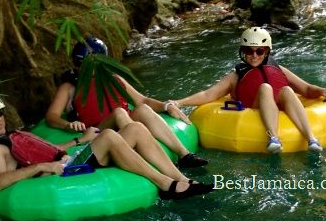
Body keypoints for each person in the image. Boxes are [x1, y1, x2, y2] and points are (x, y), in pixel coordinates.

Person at [0, 93, 214, 200]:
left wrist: (80, 141)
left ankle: (182, 178)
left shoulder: (10, 136)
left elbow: (48, 147)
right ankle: (166, 185)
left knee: (136, 128)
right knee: (108, 135)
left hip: (70, 159)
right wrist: (44, 166)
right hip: (64, 172)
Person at [167, 27, 326, 153]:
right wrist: (179, 102)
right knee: (265, 88)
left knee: (286, 90)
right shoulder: (235, 76)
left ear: (266, 52)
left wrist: (323, 90)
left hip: (281, 105)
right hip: (255, 107)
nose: (254, 55)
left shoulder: (280, 69)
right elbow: (208, 94)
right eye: (249, 51)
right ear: (243, 52)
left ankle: (311, 139)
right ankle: (273, 137)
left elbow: (307, 89)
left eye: (259, 51)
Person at [45, 37, 208, 168]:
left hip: (125, 124)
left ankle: (184, 155)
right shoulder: (69, 87)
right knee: (119, 112)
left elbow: (142, 100)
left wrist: (167, 106)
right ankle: (145, 156)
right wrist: (67, 124)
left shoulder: (115, 79)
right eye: (80, 65)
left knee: (143, 109)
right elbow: (52, 116)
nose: (83, 69)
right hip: (99, 131)